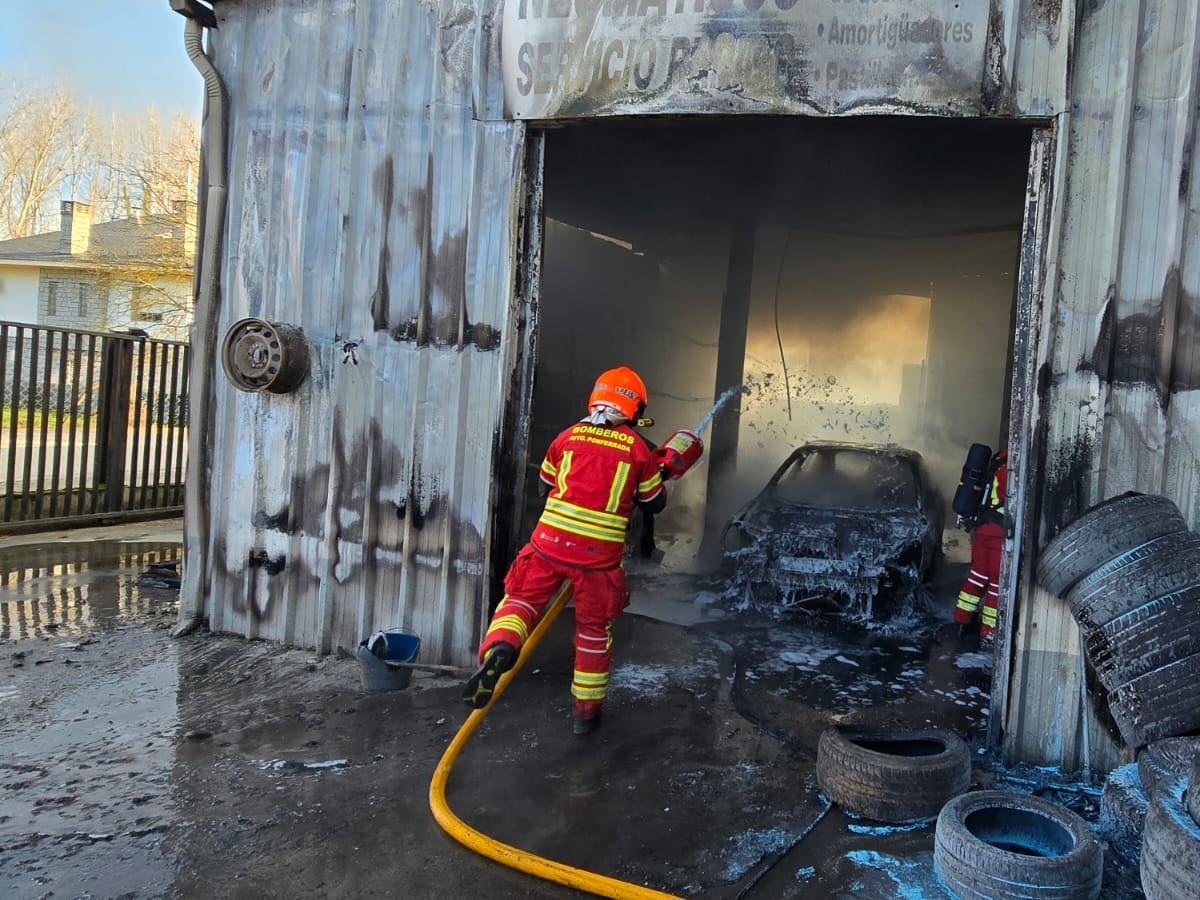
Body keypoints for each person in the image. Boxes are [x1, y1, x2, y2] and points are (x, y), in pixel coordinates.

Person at [462, 366, 667, 735]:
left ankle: (499, 650)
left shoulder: (568, 436)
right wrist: (657, 471)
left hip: (547, 546)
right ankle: (585, 715)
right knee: (592, 630)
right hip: (597, 562)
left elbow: (543, 485)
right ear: (635, 409)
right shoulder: (639, 451)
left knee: (519, 603)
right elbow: (654, 504)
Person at [954, 447, 1008, 646]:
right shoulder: (1013, 465)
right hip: (999, 533)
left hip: (984, 528)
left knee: (977, 576)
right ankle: (989, 632)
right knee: (997, 583)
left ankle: (961, 621)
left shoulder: (998, 460)